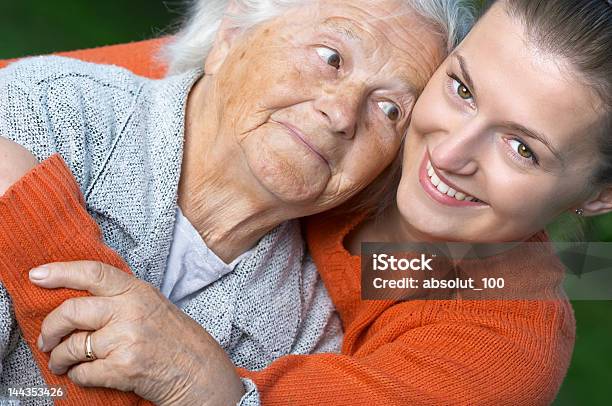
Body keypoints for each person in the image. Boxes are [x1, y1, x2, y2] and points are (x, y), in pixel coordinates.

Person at [21, 0, 606, 404]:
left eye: (522, 149)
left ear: (600, 195)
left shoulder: (496, 339)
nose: (450, 154)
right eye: (462, 88)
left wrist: (24, 206)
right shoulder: (346, 79)